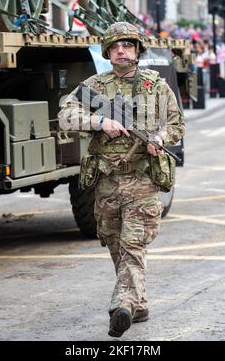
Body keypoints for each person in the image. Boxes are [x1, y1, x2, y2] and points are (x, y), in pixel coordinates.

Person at [58, 22, 185, 338]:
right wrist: (99, 121)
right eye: (115, 47)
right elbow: (65, 114)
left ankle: (124, 304)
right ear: (108, 53)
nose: (121, 50)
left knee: (132, 244)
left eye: (127, 45)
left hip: (141, 179)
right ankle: (138, 304)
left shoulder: (155, 86)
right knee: (115, 243)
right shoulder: (95, 87)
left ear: (137, 50)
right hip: (106, 182)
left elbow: (176, 124)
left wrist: (159, 137)